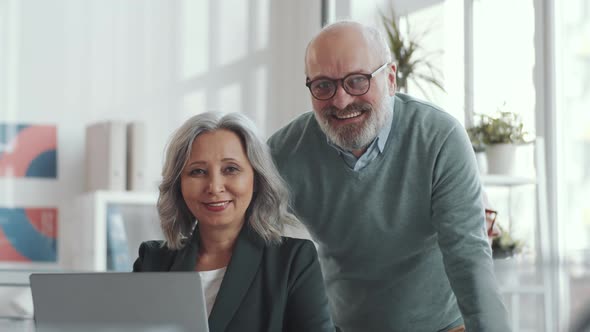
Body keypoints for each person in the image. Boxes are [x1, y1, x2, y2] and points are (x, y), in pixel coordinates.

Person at [267, 21, 511, 331]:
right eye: (323, 85)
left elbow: (469, 259)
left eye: (357, 81)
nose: (340, 101)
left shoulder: (439, 138)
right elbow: (257, 251)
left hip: (444, 326)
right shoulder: (283, 152)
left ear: (391, 79)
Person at [133, 112, 335, 332]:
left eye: (230, 169)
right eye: (197, 171)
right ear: (179, 185)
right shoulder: (152, 261)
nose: (215, 187)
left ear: (256, 179)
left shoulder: (293, 261)